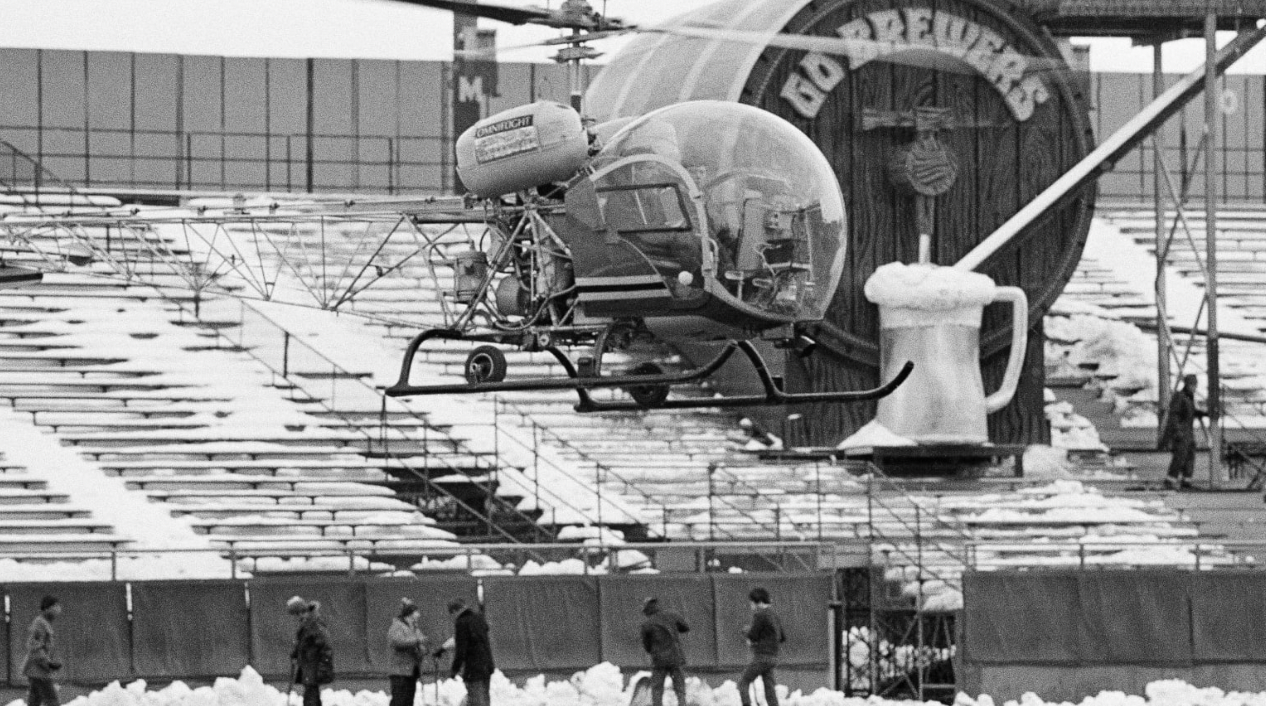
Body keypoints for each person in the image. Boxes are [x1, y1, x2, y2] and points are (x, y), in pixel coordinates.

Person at [738, 587, 785, 706]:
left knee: (743, 682)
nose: (751, 605)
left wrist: (746, 631)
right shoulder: (774, 614)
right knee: (769, 687)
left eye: (751, 602)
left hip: (762, 656)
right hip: (773, 657)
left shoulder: (760, 615)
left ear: (757, 601)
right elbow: (782, 637)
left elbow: (753, 635)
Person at [640, 597, 690, 706]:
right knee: (680, 688)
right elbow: (686, 627)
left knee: (657, 689)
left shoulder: (647, 624)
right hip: (675, 658)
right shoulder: (672, 615)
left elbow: (647, 646)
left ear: (647, 610)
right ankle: (682, 704)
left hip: (659, 661)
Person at [446, 597, 494, 706]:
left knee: (476, 700)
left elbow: (461, 649)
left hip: (473, 669)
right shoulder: (479, 618)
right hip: (486, 665)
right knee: (485, 699)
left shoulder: (462, 622)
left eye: (452, 614)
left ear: (455, 611)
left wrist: (454, 670)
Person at [1161, 374, 1205, 490]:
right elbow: (1174, 415)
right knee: (1179, 457)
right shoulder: (1180, 397)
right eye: (1192, 385)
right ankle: (1170, 480)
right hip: (1181, 432)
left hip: (1188, 433)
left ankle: (1186, 480)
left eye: (1195, 385)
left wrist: (1199, 413)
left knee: (1190, 457)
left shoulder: (1190, 398)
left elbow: (1189, 412)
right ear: (1187, 385)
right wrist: (1177, 431)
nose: (1194, 387)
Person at [288, 596, 333, 706]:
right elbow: (304, 644)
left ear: (302, 612)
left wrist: (322, 668)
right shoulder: (307, 625)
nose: (297, 618)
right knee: (312, 697)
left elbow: (326, 646)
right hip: (309, 666)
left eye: (298, 614)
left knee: (310, 698)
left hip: (313, 666)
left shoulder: (314, 625)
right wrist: (295, 653)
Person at [23, 595, 63, 706]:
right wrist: (48, 664)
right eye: (55, 606)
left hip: (37, 670)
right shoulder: (39, 624)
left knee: (34, 702)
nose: (58, 609)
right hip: (39, 670)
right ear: (47, 608)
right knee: (52, 701)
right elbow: (34, 647)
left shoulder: (44, 623)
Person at [388, 598, 429, 706]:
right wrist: (417, 641)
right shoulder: (397, 626)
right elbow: (396, 641)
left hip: (411, 671)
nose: (419, 615)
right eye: (416, 612)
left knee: (408, 700)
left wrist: (423, 649)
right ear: (410, 613)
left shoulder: (414, 628)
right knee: (399, 700)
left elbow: (420, 644)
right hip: (400, 671)